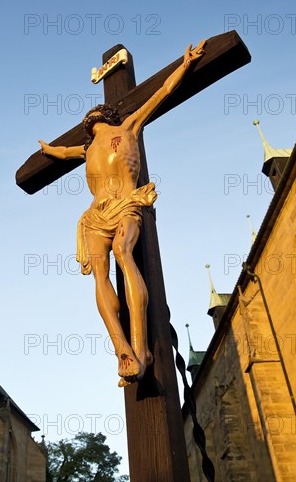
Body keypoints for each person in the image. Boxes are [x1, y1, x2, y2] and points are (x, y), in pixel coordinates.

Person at [39, 41, 206, 386]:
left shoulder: (125, 127)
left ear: (97, 119)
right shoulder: (91, 146)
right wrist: (48, 150)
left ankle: (136, 347)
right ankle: (126, 349)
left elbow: (162, 91)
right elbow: (59, 152)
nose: (90, 118)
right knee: (115, 260)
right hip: (104, 211)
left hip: (113, 206)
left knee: (114, 262)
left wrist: (186, 63)